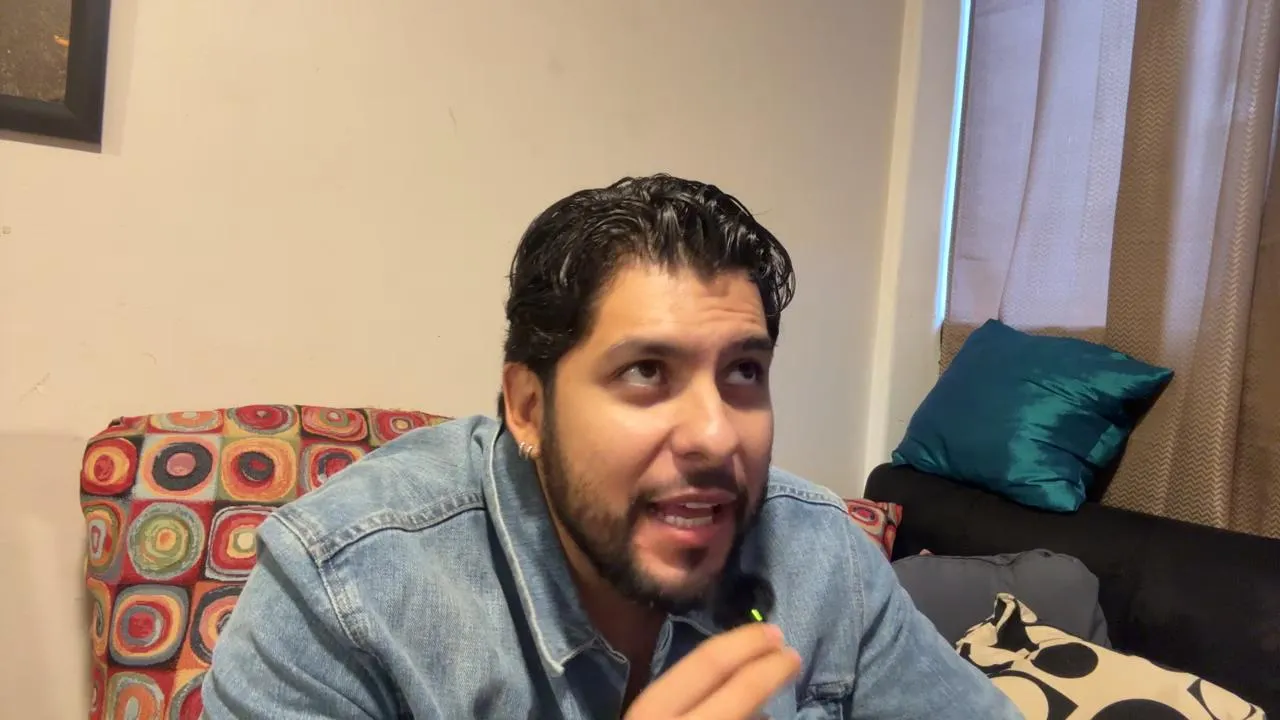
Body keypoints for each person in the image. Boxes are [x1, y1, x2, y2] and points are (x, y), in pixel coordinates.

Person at [203, 174, 1022, 719]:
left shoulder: (822, 558)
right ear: (528, 408)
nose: (715, 436)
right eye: (645, 372)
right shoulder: (344, 591)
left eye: (743, 372)